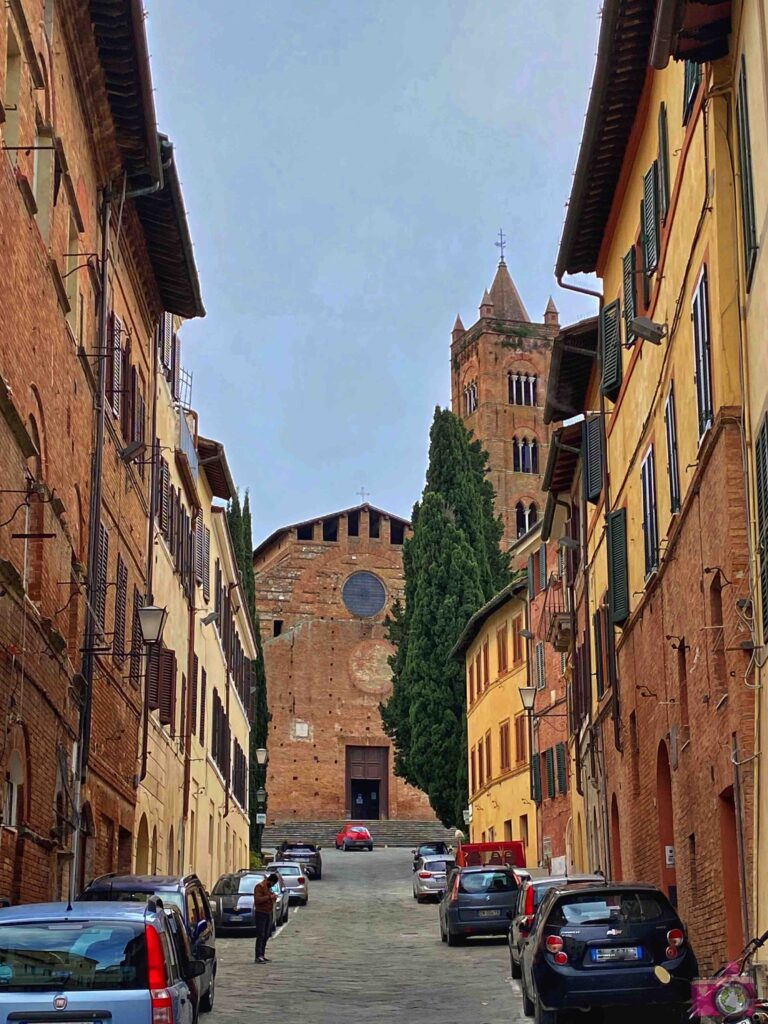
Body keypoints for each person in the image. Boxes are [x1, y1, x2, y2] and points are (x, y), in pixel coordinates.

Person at [253, 873, 278, 963]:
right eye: (273, 883)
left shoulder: (268, 888)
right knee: (261, 934)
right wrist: (269, 897)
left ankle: (262, 955)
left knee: (267, 934)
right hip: (261, 913)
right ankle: (258, 956)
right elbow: (257, 900)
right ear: (270, 881)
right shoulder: (259, 887)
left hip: (268, 913)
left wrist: (273, 897)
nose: (273, 885)